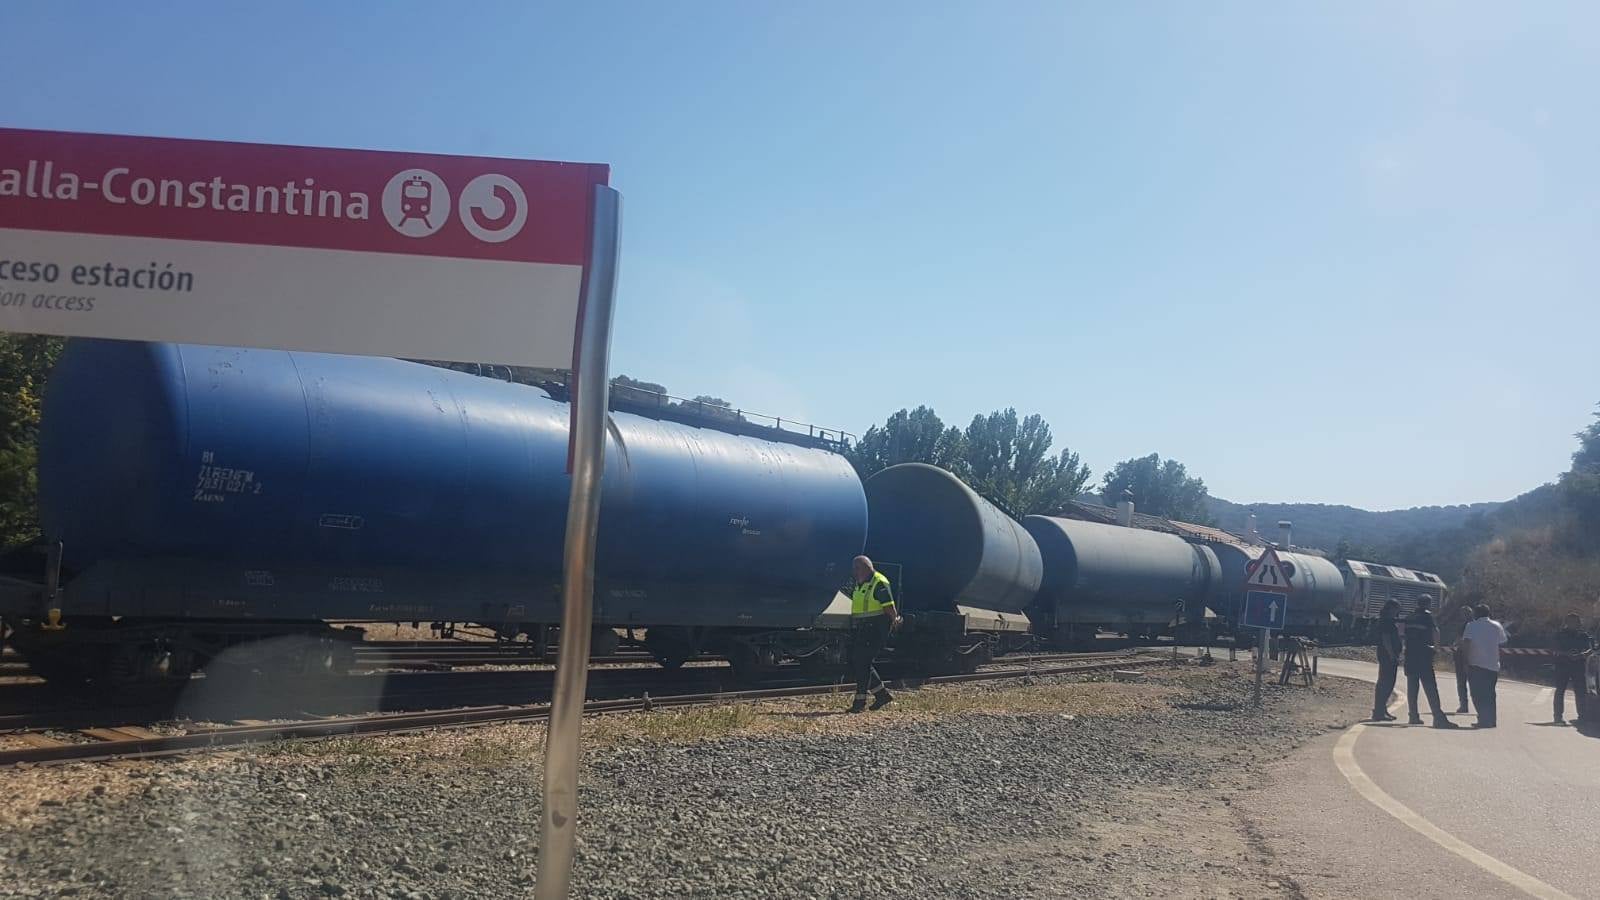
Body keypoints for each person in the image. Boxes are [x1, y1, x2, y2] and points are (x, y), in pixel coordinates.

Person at [846, 555, 899, 713]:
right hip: (864, 627)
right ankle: (881, 695)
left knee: (862, 661)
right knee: (860, 661)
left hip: (876, 627)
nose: (854, 572)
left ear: (866, 567)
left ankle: (860, 702)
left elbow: (889, 607)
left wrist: (894, 622)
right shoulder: (860, 582)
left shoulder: (878, 582)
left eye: (857, 568)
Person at [1402, 595, 1458, 728]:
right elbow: (1435, 631)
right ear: (1428, 604)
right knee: (1430, 687)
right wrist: (1436, 647)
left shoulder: (1409, 617)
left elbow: (1403, 634)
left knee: (1412, 686)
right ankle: (1438, 717)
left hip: (1410, 654)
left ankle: (1413, 716)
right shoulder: (1427, 616)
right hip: (1423, 655)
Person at [1461, 604, 1508, 728]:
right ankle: (1491, 720)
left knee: (1477, 693)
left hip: (1476, 664)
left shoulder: (1471, 626)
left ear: (1476, 614)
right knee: (1490, 694)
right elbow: (1503, 642)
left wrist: (1465, 661)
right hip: (1492, 664)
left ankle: (1483, 718)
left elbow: (1466, 644)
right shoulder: (1497, 626)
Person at [1551, 612, 1593, 725]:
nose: (1573, 624)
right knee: (1560, 691)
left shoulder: (1583, 635)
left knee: (1580, 692)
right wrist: (1567, 654)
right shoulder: (1559, 634)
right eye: (1570, 621)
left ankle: (1582, 717)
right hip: (1562, 665)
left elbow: (1590, 649)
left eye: (1575, 622)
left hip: (1578, 666)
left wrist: (1582, 654)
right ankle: (1558, 717)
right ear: (1566, 623)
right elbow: (1554, 649)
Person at [1371, 599, 1402, 722]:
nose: (1397, 611)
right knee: (1385, 682)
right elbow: (1386, 639)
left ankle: (1382, 709)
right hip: (1387, 655)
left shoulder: (1389, 621)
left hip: (1389, 655)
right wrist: (1391, 654)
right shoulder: (1386, 622)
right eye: (1396, 609)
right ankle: (1378, 711)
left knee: (1389, 683)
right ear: (1390, 608)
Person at [1451, 609, 1473, 715]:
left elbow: (1460, 640)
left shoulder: (1467, 626)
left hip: (1463, 655)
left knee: (1462, 682)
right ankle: (1465, 705)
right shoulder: (1473, 625)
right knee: (1466, 682)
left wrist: (1456, 645)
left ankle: (1464, 705)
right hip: (1471, 655)